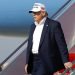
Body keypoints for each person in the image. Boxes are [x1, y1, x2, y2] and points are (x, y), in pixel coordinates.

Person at [25, 3, 72, 75]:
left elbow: (61, 44)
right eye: (33, 12)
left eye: (36, 12)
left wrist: (66, 60)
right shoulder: (32, 26)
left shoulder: (54, 25)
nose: (34, 14)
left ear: (43, 13)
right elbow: (29, 46)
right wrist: (27, 63)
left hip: (46, 62)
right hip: (33, 62)